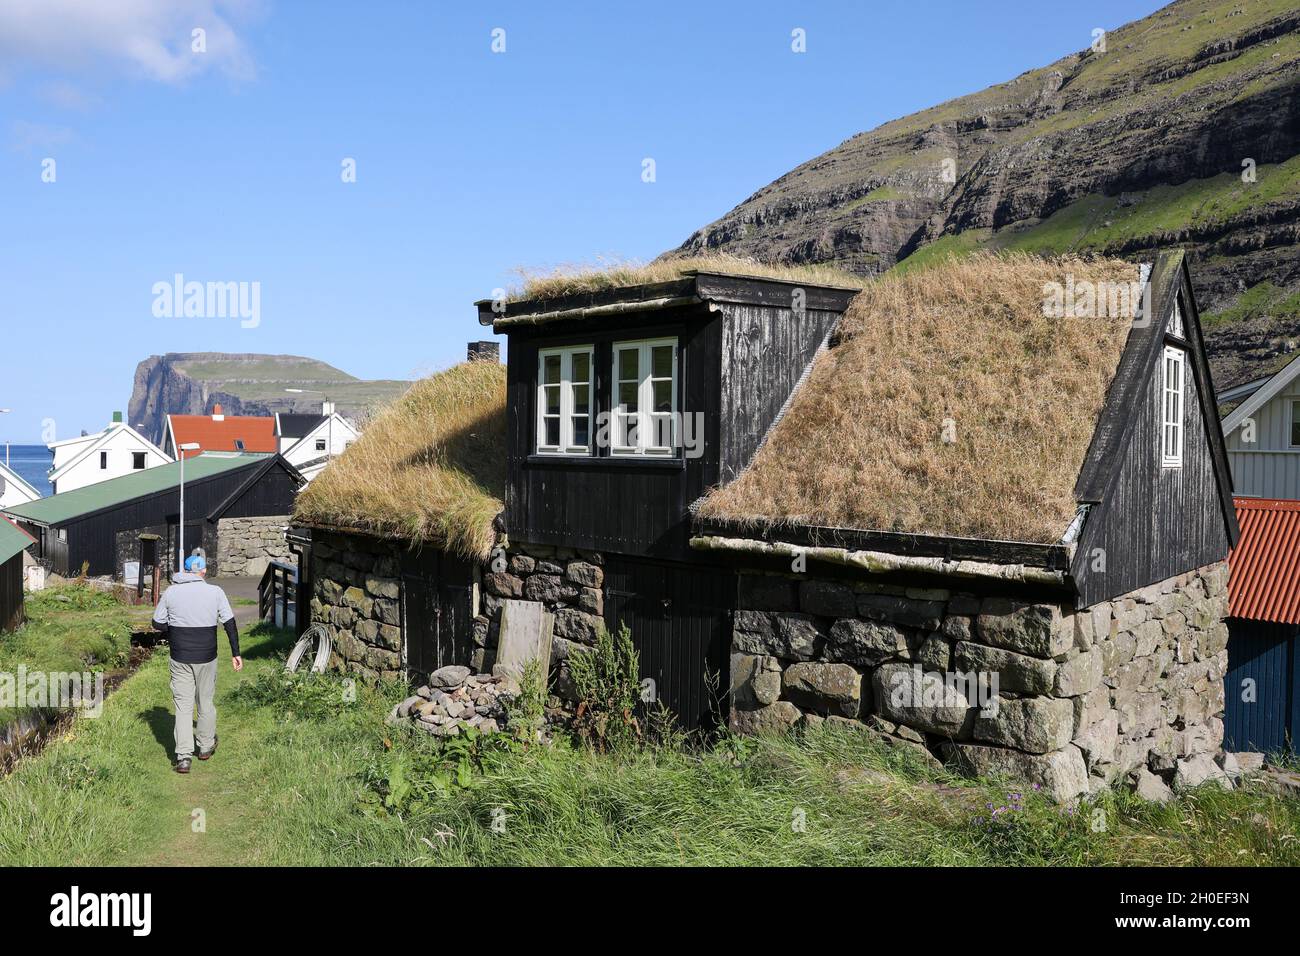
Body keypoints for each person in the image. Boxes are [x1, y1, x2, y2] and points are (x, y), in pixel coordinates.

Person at [151, 555, 243, 773]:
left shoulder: (172, 592)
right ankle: (205, 747)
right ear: (202, 572)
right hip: (207, 656)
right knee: (205, 702)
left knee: (182, 707)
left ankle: (183, 758)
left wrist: (175, 629)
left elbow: (157, 622)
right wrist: (236, 653)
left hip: (180, 656)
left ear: (184, 570)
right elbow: (229, 623)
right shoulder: (216, 592)